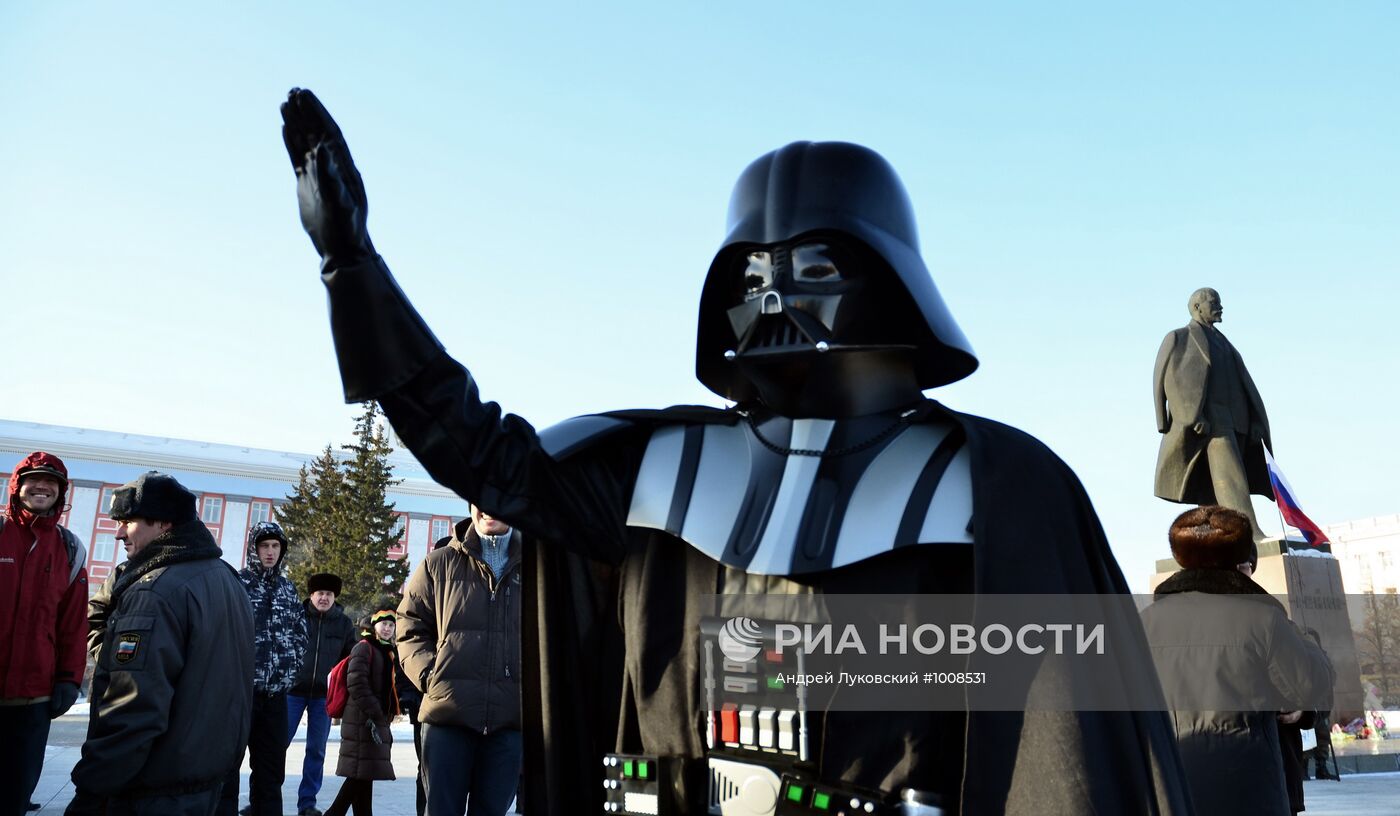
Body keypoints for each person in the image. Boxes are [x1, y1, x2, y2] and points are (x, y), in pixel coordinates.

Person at [280, 88, 1192, 814]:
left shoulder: (994, 490)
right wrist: (352, 268)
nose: (777, 298)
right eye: (752, 274)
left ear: (887, 281)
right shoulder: (655, 465)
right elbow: (473, 449)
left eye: (815, 268)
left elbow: (1064, 753)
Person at [66, 471, 254, 815]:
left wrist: (92, 790)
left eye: (129, 521)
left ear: (164, 524)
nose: (119, 531)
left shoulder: (155, 592)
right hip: (207, 778)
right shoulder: (226, 577)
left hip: (153, 788)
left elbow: (133, 708)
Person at [1142, 506, 1334, 815]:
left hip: (1169, 783)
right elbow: (1307, 687)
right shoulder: (1263, 619)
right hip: (1248, 786)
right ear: (1238, 559)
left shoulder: (1144, 623)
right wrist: (1307, 643)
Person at [397, 507, 522, 816]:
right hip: (447, 717)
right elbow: (409, 624)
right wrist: (432, 677)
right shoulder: (438, 563)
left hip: (509, 721)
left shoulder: (537, 569)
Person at [0, 453, 88, 816]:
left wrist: (69, 678)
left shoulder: (70, 548)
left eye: (51, 483)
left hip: (32, 703)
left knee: (15, 796)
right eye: (34, 480)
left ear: (61, 492)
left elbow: (74, 623)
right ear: (16, 486)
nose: (42, 487)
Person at [1154, 287, 1274, 542]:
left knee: (1211, 487)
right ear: (1197, 307)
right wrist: (1190, 416)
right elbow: (1171, 380)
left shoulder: (1225, 343)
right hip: (1213, 422)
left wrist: (1254, 421)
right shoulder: (1180, 337)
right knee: (1231, 478)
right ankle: (1248, 532)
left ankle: (1212, 536)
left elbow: (1243, 385)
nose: (1220, 306)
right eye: (1214, 302)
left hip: (1238, 421)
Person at [222, 522, 307, 816]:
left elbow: (300, 632)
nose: (270, 552)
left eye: (275, 547)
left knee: (271, 772)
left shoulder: (288, 589)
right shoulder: (238, 583)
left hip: (275, 698)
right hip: (241, 695)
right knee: (227, 769)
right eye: (264, 546)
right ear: (253, 549)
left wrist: (291, 670)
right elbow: (225, 632)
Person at [288, 573, 356, 816]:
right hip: (292, 692)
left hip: (322, 698)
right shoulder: (296, 617)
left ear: (334, 597)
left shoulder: (344, 624)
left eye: (329, 594)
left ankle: (307, 803)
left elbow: (350, 660)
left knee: (316, 750)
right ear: (311, 595)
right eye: (320, 594)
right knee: (275, 746)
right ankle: (261, 798)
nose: (324, 598)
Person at [322, 611, 400, 816]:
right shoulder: (364, 648)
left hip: (371, 718)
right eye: (383, 624)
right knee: (359, 774)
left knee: (365, 773)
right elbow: (356, 683)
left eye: (391, 626)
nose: (387, 628)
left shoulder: (385, 651)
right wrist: (375, 710)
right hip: (361, 719)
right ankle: (334, 813)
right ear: (373, 626)